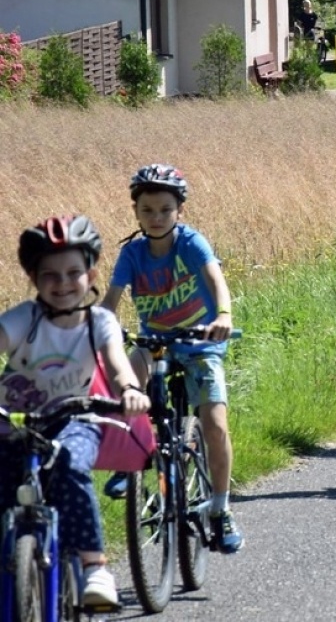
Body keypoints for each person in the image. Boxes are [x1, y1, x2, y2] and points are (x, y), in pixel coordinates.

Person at [4, 215, 150, 610]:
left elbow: (117, 365)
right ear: (33, 277)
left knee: (69, 464)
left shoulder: (98, 322)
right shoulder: (23, 319)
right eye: (50, 274)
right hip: (12, 424)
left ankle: (94, 566)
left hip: (75, 420)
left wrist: (131, 390)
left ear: (91, 273)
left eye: (74, 272)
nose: (63, 283)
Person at [102, 164, 243, 554]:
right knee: (129, 373)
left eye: (165, 209)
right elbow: (111, 301)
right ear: (136, 213)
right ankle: (125, 455)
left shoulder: (192, 243)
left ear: (179, 210)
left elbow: (216, 280)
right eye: (147, 210)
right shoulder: (132, 253)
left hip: (200, 341)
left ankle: (220, 508)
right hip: (155, 340)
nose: (157, 217)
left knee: (214, 423)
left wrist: (224, 317)